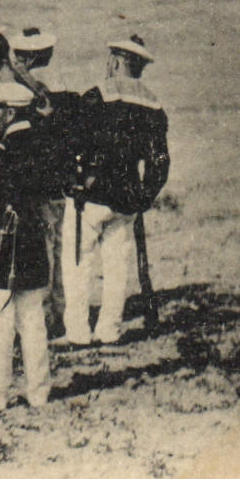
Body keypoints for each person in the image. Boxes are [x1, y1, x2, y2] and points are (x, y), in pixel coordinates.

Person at [63, 36, 170, 346]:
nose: (108, 64)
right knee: (116, 267)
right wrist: (144, 196)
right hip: (127, 196)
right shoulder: (153, 105)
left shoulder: (98, 96)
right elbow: (159, 161)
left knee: (77, 263)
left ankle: (78, 332)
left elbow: (72, 142)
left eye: (112, 59)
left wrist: (75, 179)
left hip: (92, 194)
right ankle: (109, 330)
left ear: (118, 61)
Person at [0, 80, 56, 414]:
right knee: (33, 319)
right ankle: (39, 391)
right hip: (33, 243)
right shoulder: (40, 144)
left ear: (9, 112)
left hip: (4, 245)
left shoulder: (3, 151)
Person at [8, 26, 74, 338]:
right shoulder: (61, 85)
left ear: (32, 57)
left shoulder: (40, 88)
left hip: (44, 182)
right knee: (58, 250)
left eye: (20, 55)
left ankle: (49, 317)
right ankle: (59, 312)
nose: (15, 60)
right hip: (61, 179)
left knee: (45, 249)